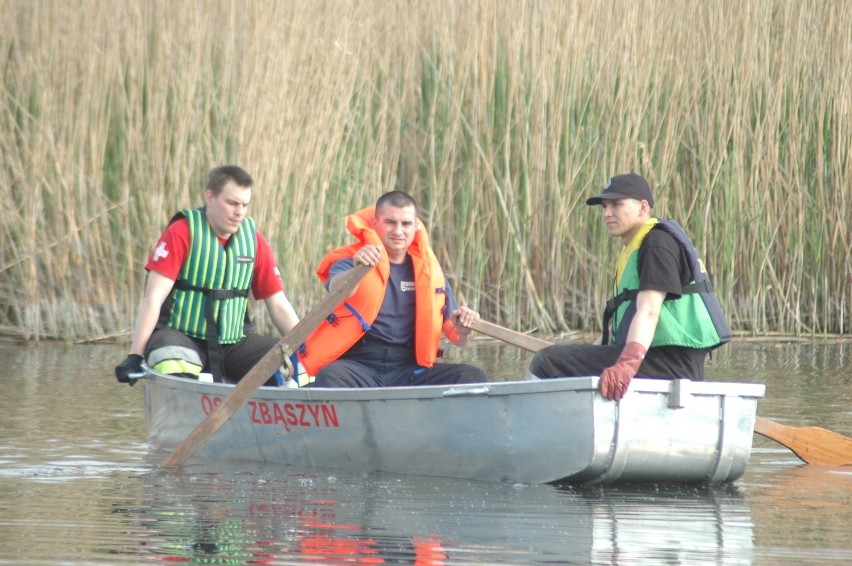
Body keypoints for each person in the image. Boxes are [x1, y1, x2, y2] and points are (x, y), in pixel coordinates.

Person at [528, 172, 730, 400]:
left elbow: (649, 310)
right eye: (604, 206)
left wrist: (626, 365)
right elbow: (621, 327)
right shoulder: (637, 247)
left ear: (643, 208)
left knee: (546, 361)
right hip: (653, 358)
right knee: (560, 358)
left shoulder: (656, 244)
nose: (606, 213)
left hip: (671, 364)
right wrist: (587, 352)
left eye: (616, 204)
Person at [114, 165, 300, 386]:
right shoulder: (181, 232)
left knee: (292, 363)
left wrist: (308, 349)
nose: (239, 212)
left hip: (233, 343)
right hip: (181, 336)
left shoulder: (254, 241)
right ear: (210, 197)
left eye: (244, 205)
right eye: (232, 203)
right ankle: (185, 405)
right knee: (171, 359)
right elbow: (153, 298)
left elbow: (278, 304)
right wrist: (135, 355)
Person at [298, 190, 487, 387]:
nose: (398, 231)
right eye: (390, 222)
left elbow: (458, 339)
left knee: (473, 377)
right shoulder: (352, 261)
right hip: (359, 364)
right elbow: (337, 290)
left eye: (405, 224)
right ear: (375, 224)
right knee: (330, 376)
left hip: (408, 368)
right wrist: (357, 271)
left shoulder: (431, 274)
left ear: (415, 227)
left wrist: (464, 329)